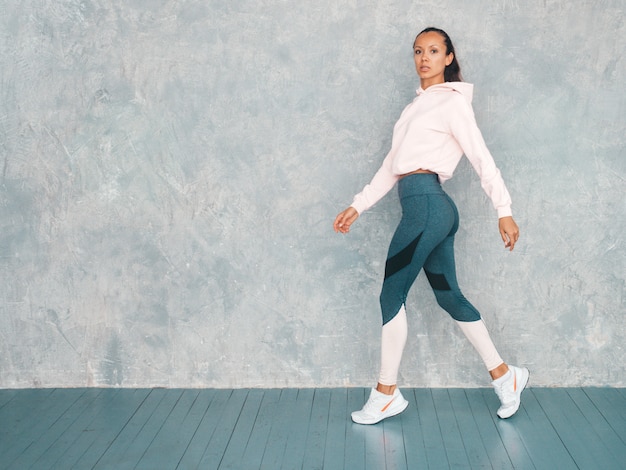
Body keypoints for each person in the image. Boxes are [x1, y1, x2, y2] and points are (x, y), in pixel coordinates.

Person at [333, 27, 529, 425]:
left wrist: (503, 209)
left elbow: (480, 156)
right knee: (449, 296)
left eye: (434, 50)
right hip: (427, 207)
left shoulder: (453, 104)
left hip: (427, 207)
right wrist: (358, 206)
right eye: (418, 51)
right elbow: (393, 166)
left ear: (448, 58)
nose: (424, 57)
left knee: (392, 294)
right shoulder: (412, 110)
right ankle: (506, 376)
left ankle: (386, 393)